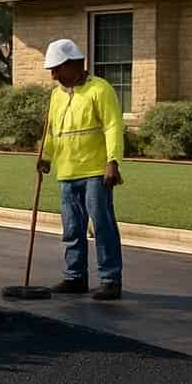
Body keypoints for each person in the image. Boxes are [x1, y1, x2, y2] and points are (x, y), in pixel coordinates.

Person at [37, 38, 125, 301]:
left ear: (75, 64)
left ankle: (110, 279)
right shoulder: (56, 95)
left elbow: (112, 126)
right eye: (51, 70)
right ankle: (75, 277)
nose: (53, 75)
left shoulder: (100, 89)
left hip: (96, 171)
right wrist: (46, 155)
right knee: (72, 228)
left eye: (57, 68)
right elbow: (53, 130)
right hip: (66, 172)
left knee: (102, 225)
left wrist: (113, 161)